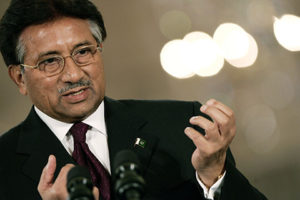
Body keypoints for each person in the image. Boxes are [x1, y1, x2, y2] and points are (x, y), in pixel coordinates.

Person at [0, 0, 267, 200]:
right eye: (50, 62)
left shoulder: (184, 128)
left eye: (83, 52)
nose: (73, 74)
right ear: (20, 78)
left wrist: (213, 177)